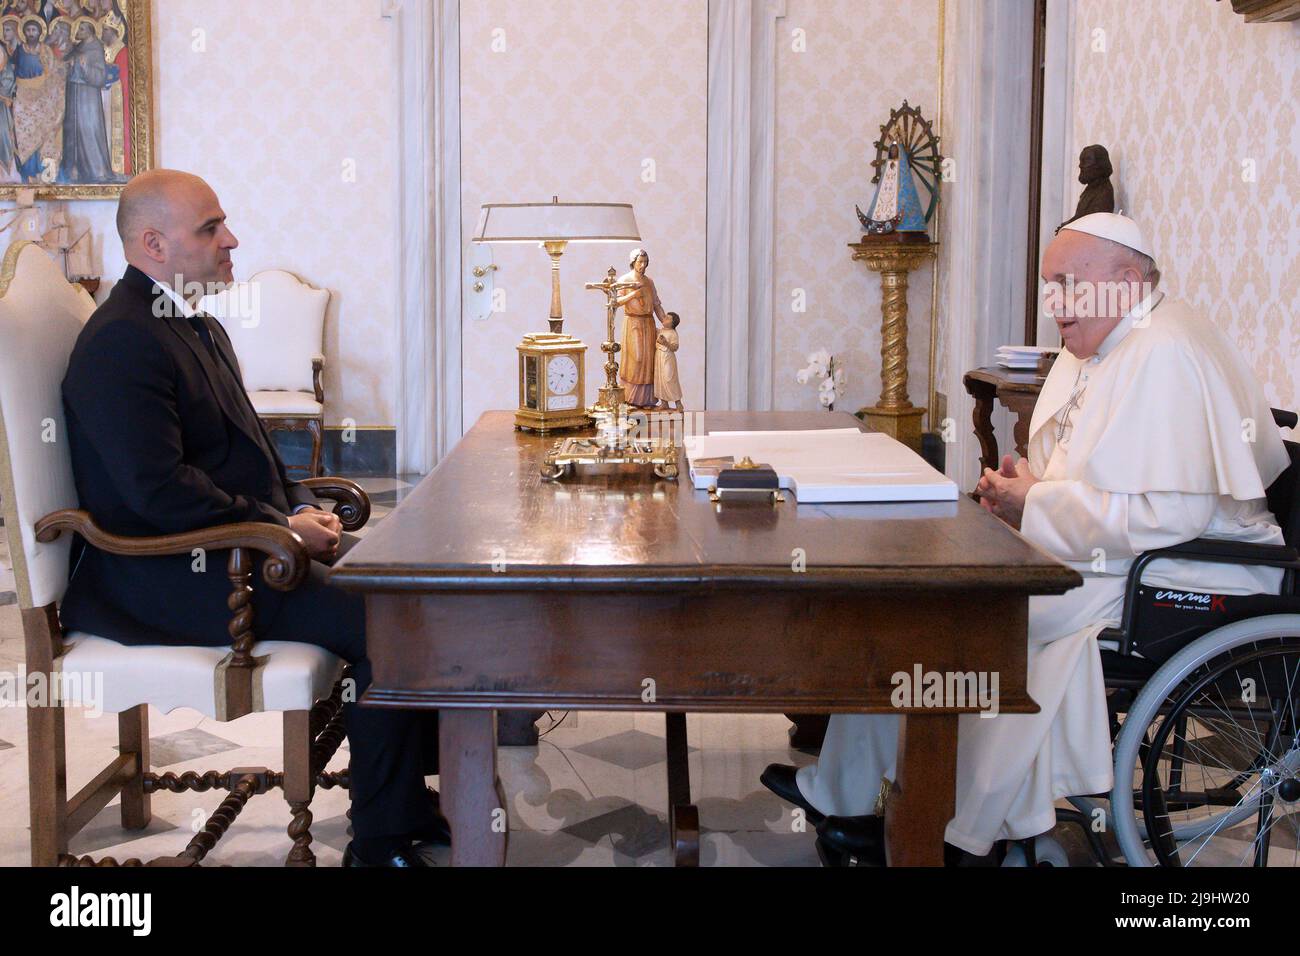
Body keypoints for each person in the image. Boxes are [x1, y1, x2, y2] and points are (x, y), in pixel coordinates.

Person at [762, 213, 1291, 864]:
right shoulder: (1118, 340)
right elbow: (1109, 478)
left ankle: (954, 822)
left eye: (1068, 284)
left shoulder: (1166, 350)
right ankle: (850, 798)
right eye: (1051, 286)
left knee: (965, 619)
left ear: (1127, 281)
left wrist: (1036, 501)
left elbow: (1167, 519)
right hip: (1132, 558)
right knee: (920, 605)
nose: (1055, 304)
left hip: (1188, 571)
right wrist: (1036, 486)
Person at [61, 169, 446, 867]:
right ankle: (381, 837)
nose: (231, 239)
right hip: (160, 574)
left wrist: (295, 505)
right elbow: (156, 492)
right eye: (210, 228)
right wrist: (279, 530)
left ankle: (408, 800)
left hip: (229, 547)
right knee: (386, 619)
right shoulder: (123, 340)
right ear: (153, 242)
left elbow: (242, 452)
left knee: (413, 585)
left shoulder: (194, 322)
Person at [59, 15, 117, 182]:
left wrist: (85, 66)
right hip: (73, 92)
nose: (78, 32)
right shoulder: (77, 48)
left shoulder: (96, 48)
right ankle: (73, 169)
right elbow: (63, 68)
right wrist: (69, 67)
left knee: (88, 129)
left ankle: (96, 170)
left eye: (82, 29)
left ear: (91, 31)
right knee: (73, 130)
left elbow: (99, 76)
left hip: (88, 96)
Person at [615, 248, 667, 407]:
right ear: (633, 262)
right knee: (636, 359)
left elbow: (657, 304)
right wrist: (633, 295)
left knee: (648, 360)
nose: (643, 265)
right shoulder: (625, 280)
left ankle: (646, 400)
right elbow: (616, 302)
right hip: (633, 323)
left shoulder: (649, 282)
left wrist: (665, 322)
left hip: (648, 323)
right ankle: (630, 397)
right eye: (640, 262)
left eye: (645, 262)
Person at [653, 311, 683, 411]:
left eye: (668, 318)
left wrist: (665, 343)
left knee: (669, 379)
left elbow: (675, 347)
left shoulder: (673, 333)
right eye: (665, 317)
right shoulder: (661, 331)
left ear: (673, 323)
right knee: (660, 379)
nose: (664, 318)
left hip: (668, 358)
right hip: (659, 357)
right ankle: (664, 403)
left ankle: (678, 403)